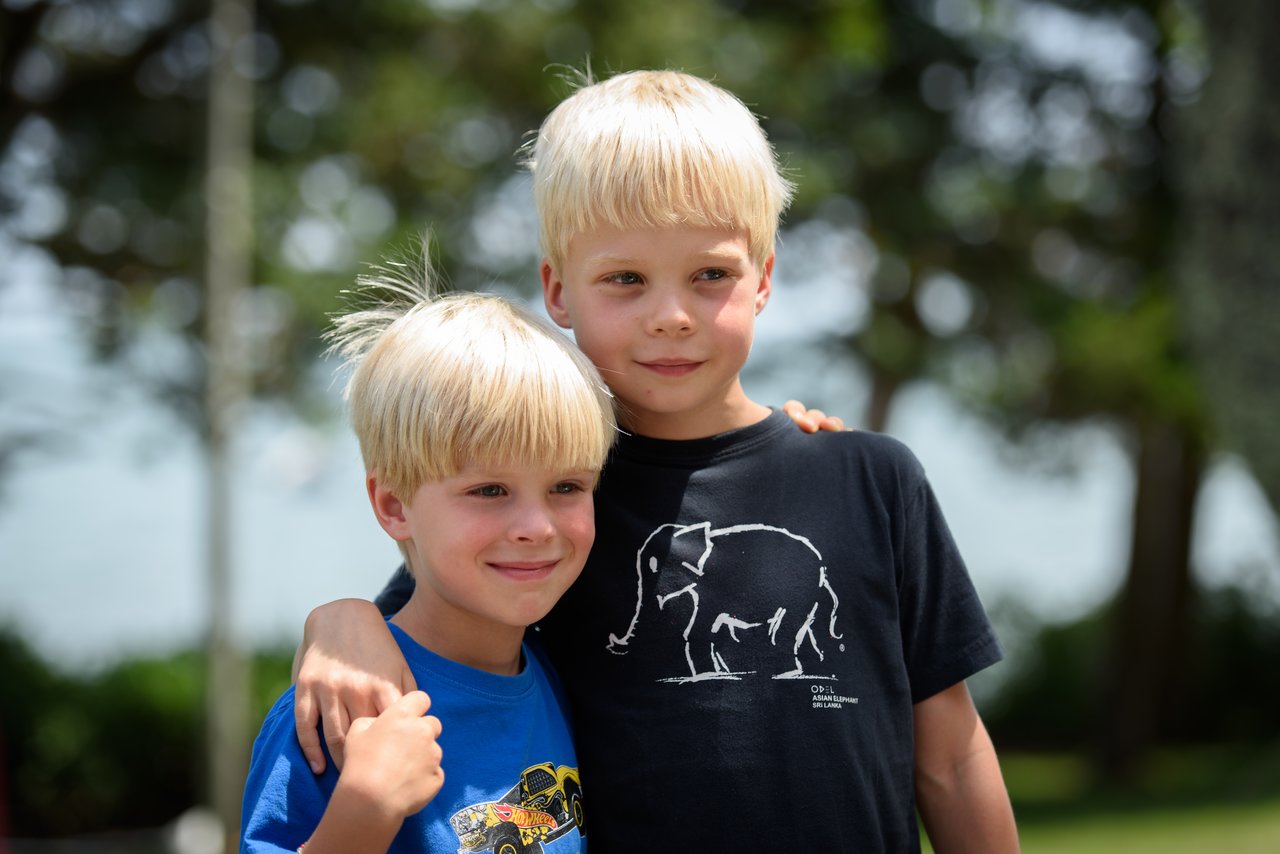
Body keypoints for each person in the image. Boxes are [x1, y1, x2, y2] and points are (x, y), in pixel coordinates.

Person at [294, 69, 1019, 852]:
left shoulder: (874, 480)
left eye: (710, 274)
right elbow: (423, 625)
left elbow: (950, 754)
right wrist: (339, 622)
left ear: (764, 277)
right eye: (626, 279)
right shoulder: (553, 507)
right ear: (559, 290)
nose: (670, 316)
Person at [241, 258, 617, 853]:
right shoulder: (337, 711)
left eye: (567, 487)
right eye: (489, 491)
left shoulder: (558, 673)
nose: (536, 526)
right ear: (393, 505)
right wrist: (364, 811)